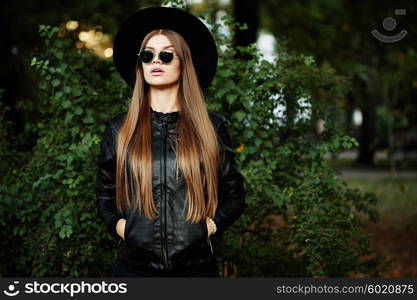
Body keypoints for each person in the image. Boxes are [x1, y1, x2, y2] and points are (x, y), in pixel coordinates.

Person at [95, 6, 246, 278]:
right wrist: (125, 229)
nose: (156, 61)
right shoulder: (119, 129)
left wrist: (206, 229)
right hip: (134, 270)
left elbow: (234, 194)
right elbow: (105, 195)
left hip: (197, 270)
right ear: (140, 63)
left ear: (183, 62)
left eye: (166, 55)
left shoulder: (211, 127)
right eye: (147, 55)